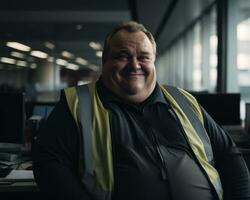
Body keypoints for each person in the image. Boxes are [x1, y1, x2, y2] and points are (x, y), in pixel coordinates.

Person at [33, 21, 250, 200]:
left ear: (153, 61)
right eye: (123, 56)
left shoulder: (184, 100)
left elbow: (229, 156)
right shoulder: (77, 104)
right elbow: (50, 166)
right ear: (105, 61)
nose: (134, 65)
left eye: (143, 57)